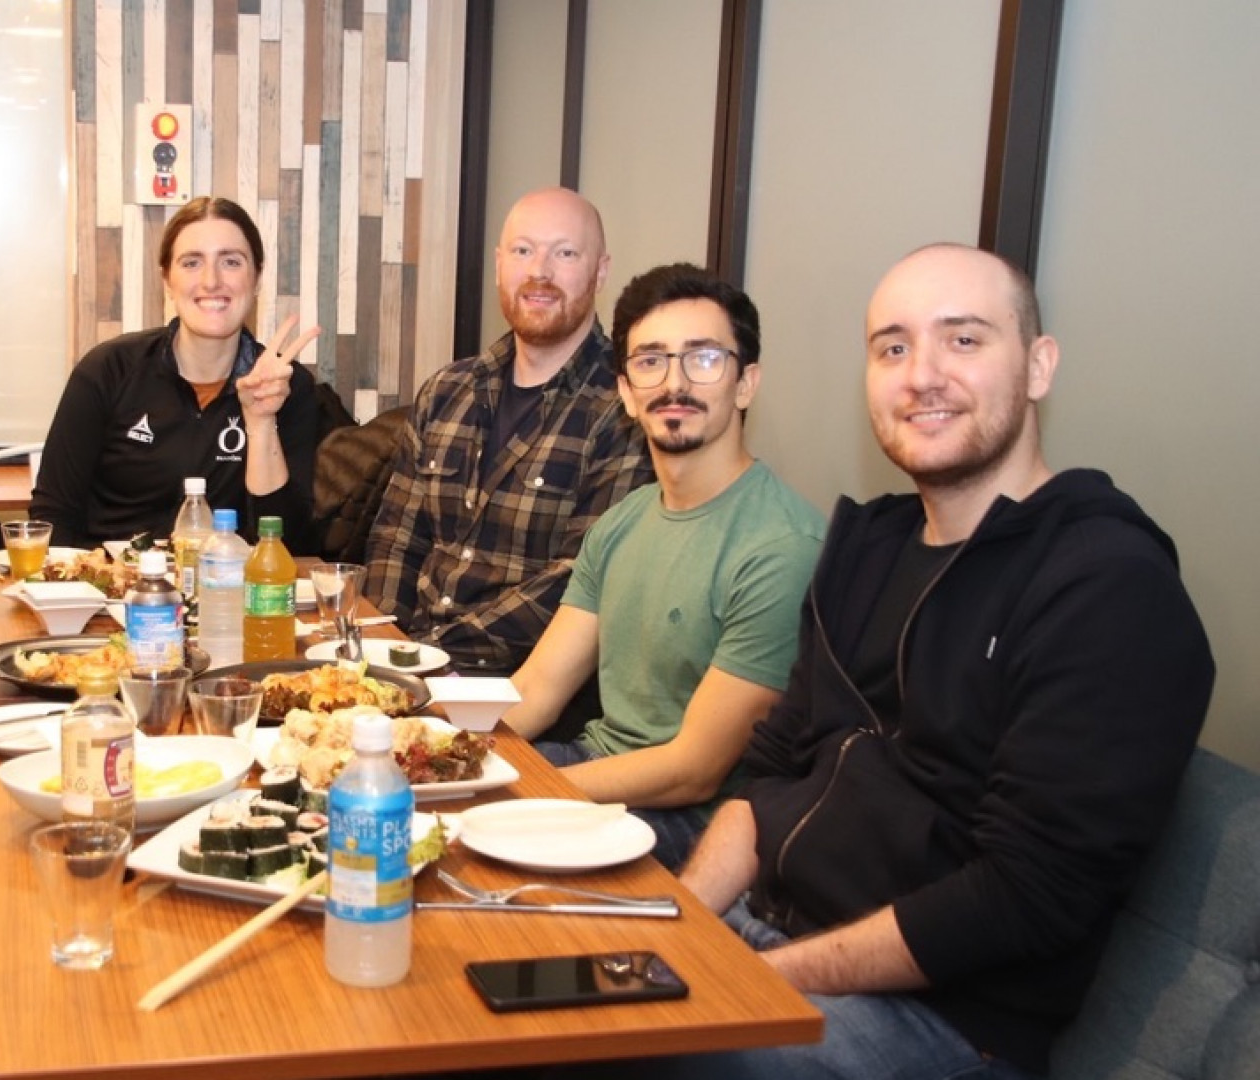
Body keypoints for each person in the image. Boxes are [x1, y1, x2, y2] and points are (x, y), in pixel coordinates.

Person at [633, 244, 1215, 1079]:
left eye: (965, 340)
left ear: (1039, 366)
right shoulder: (867, 545)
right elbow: (765, 776)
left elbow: (1024, 894)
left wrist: (753, 981)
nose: (921, 376)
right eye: (893, 348)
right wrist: (673, 930)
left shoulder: (1108, 584)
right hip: (763, 933)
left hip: (934, 1018)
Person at [501, 264, 823, 871]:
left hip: (688, 823)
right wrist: (447, 754)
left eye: (703, 359)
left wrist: (521, 790)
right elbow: (538, 687)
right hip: (590, 767)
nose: (675, 384)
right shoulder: (623, 522)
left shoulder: (782, 545)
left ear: (746, 382)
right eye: (650, 361)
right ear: (625, 390)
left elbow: (692, 772)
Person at [364, 186, 652, 673]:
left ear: (600, 270)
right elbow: (397, 539)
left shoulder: (624, 407)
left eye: (564, 253)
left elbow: (576, 581)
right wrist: (380, 649)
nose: (539, 272)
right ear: (499, 264)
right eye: (523, 251)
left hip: (520, 687)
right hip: (406, 666)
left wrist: (426, 656)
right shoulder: (447, 390)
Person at [30, 196, 321, 548]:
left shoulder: (287, 388)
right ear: (167, 281)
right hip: (110, 592)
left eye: (231, 262)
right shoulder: (109, 370)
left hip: (229, 596)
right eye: (192, 263)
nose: (211, 281)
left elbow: (288, 547)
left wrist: (260, 423)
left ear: (257, 278)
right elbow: (54, 516)